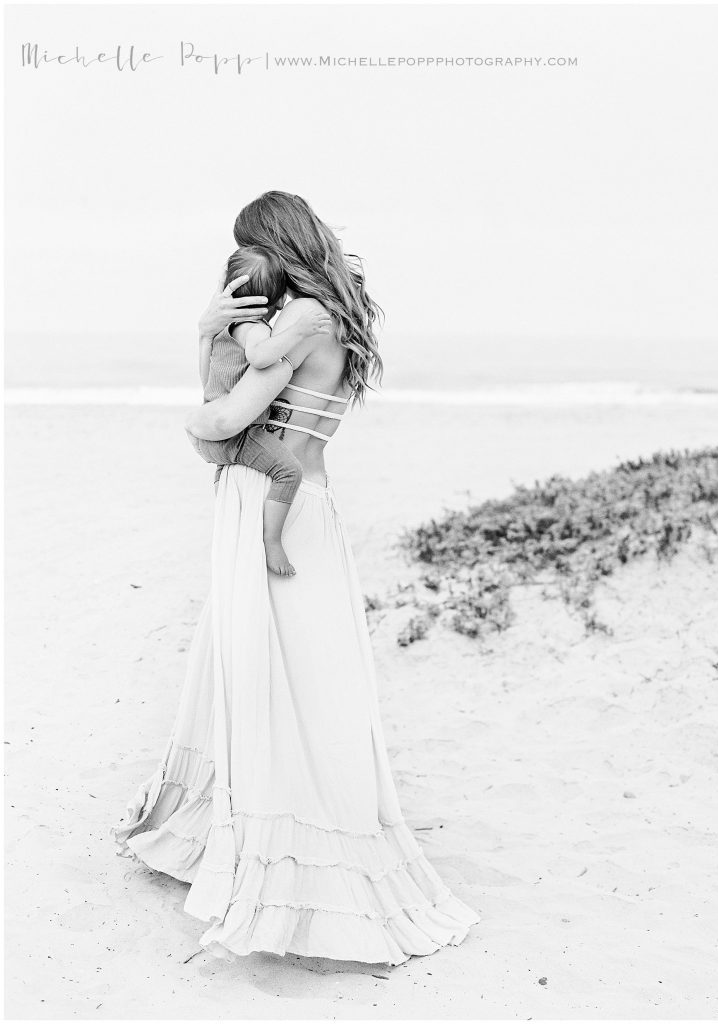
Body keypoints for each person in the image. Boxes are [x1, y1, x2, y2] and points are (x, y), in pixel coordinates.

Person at [111, 191, 480, 966]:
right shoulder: (333, 314)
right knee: (298, 681)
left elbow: (221, 417)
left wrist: (206, 343)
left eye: (256, 250)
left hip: (273, 506)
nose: (255, 271)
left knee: (273, 681)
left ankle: (297, 870)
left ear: (277, 244)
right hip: (305, 500)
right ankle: (236, 835)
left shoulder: (300, 320)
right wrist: (213, 341)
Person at [189, 243, 332, 577]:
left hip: (214, 432)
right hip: (238, 434)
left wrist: (204, 337)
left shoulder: (224, 331)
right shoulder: (253, 330)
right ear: (279, 300)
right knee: (288, 472)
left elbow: (206, 378)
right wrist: (297, 330)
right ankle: (272, 542)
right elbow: (260, 357)